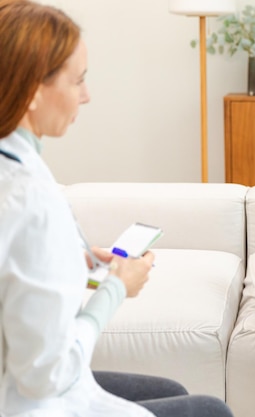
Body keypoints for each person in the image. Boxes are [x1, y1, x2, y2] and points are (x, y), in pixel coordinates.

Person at [0, 1, 233, 416]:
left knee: (174, 389)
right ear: (34, 90)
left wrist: (81, 265)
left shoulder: (19, 167)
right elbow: (43, 376)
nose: (86, 96)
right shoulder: (29, 196)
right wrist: (114, 289)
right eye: (78, 81)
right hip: (30, 399)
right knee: (210, 411)